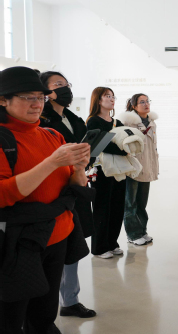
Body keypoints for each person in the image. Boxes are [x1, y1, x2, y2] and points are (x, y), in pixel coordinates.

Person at [0, 67, 91, 334]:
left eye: (40, 97)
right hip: (19, 244)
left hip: (57, 237)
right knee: (10, 319)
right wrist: (52, 162)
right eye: (27, 97)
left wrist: (79, 167)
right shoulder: (4, 139)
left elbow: (74, 186)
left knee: (44, 316)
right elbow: (3, 195)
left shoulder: (52, 135)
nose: (37, 104)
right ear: (3, 100)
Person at [39, 71, 96, 319]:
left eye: (67, 84)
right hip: (53, 191)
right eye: (58, 85)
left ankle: (70, 300)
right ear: (46, 92)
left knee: (73, 246)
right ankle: (46, 308)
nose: (65, 89)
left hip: (75, 186)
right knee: (53, 250)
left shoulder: (74, 118)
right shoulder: (42, 121)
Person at [86, 87, 127, 259]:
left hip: (119, 169)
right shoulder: (93, 121)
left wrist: (124, 147)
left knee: (117, 207)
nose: (111, 99)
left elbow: (126, 140)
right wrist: (123, 149)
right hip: (101, 170)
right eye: (107, 96)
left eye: (113, 96)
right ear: (98, 100)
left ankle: (112, 242)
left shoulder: (117, 122)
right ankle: (99, 247)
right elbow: (100, 145)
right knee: (102, 208)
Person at [119, 94, 159, 245]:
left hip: (147, 166)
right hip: (132, 167)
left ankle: (142, 231)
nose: (146, 104)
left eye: (148, 101)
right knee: (130, 203)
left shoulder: (152, 122)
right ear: (134, 106)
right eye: (142, 102)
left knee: (142, 203)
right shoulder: (127, 123)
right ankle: (133, 235)